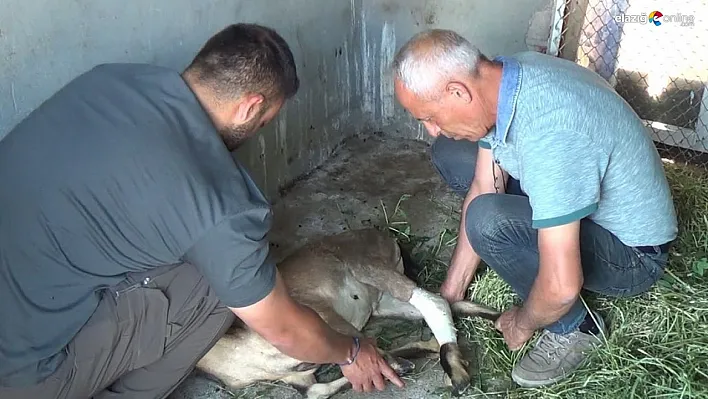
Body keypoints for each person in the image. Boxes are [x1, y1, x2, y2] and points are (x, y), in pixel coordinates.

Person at [0, 23, 403, 399]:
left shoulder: (107, 80)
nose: (261, 128)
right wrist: (350, 351)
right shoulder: (223, 206)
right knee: (218, 283)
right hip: (25, 375)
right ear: (250, 108)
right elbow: (283, 329)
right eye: (266, 120)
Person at [392, 29, 677, 388]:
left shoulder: (552, 132)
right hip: (581, 192)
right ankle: (538, 227)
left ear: (457, 92)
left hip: (633, 254)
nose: (431, 130)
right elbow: (484, 183)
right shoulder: (503, 78)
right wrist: (451, 294)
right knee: (452, 154)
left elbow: (561, 287)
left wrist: (522, 322)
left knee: (488, 221)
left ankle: (577, 327)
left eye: (430, 117)